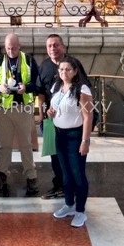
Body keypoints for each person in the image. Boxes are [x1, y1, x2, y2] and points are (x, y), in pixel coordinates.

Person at [36, 34, 89, 200]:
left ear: (63, 46)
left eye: (56, 45)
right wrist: (42, 113)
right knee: (55, 156)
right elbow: (41, 92)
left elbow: (85, 91)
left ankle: (74, 192)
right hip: (52, 120)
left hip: (73, 125)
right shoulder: (44, 65)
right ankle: (60, 186)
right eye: (49, 46)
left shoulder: (73, 64)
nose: (53, 48)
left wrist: (86, 136)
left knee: (74, 161)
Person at [0, 33, 40, 196]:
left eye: (14, 48)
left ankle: (31, 175)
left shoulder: (29, 60)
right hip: (3, 109)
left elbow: (37, 83)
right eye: (8, 48)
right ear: (5, 47)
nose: (11, 51)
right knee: (4, 144)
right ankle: (2, 173)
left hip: (23, 107)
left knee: (26, 143)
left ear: (19, 46)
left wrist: (27, 88)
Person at [48, 57, 93, 228]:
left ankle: (80, 211)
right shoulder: (57, 87)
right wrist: (50, 112)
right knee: (65, 173)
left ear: (75, 71)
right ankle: (69, 204)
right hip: (59, 134)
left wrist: (85, 141)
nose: (63, 72)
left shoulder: (82, 89)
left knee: (78, 174)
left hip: (75, 136)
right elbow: (55, 107)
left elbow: (88, 117)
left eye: (67, 69)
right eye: (61, 69)